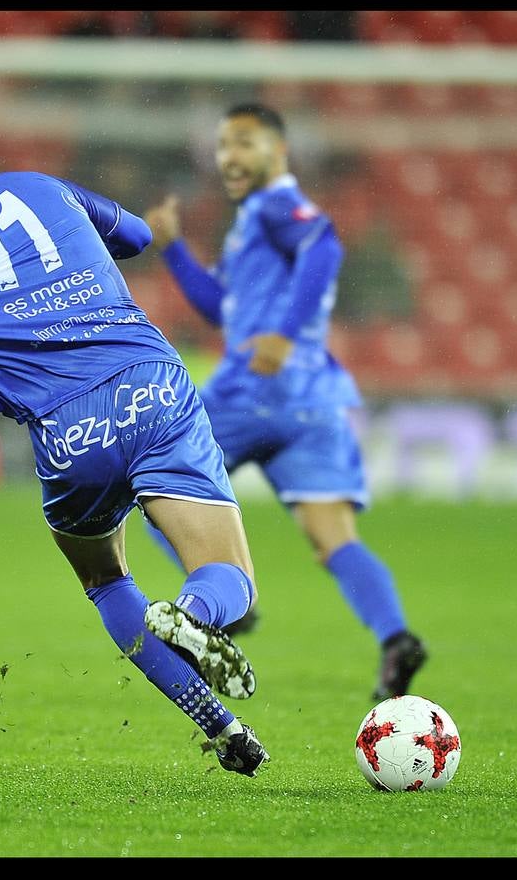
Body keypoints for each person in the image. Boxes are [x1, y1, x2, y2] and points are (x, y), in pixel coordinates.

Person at [0, 91, 268, 777]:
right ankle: (190, 612)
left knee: (104, 581)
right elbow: (132, 237)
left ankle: (219, 725)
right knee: (228, 574)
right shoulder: (42, 188)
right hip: (147, 386)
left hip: (67, 433)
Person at [142, 103, 427, 701]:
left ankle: (224, 599)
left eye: (244, 142)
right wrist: (172, 249)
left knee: (148, 482)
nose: (229, 157)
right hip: (312, 400)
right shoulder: (251, 225)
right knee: (334, 539)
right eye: (223, 145)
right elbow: (220, 306)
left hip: (253, 391)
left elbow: (323, 248)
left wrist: (284, 333)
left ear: (280, 151)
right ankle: (396, 635)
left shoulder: (278, 207)